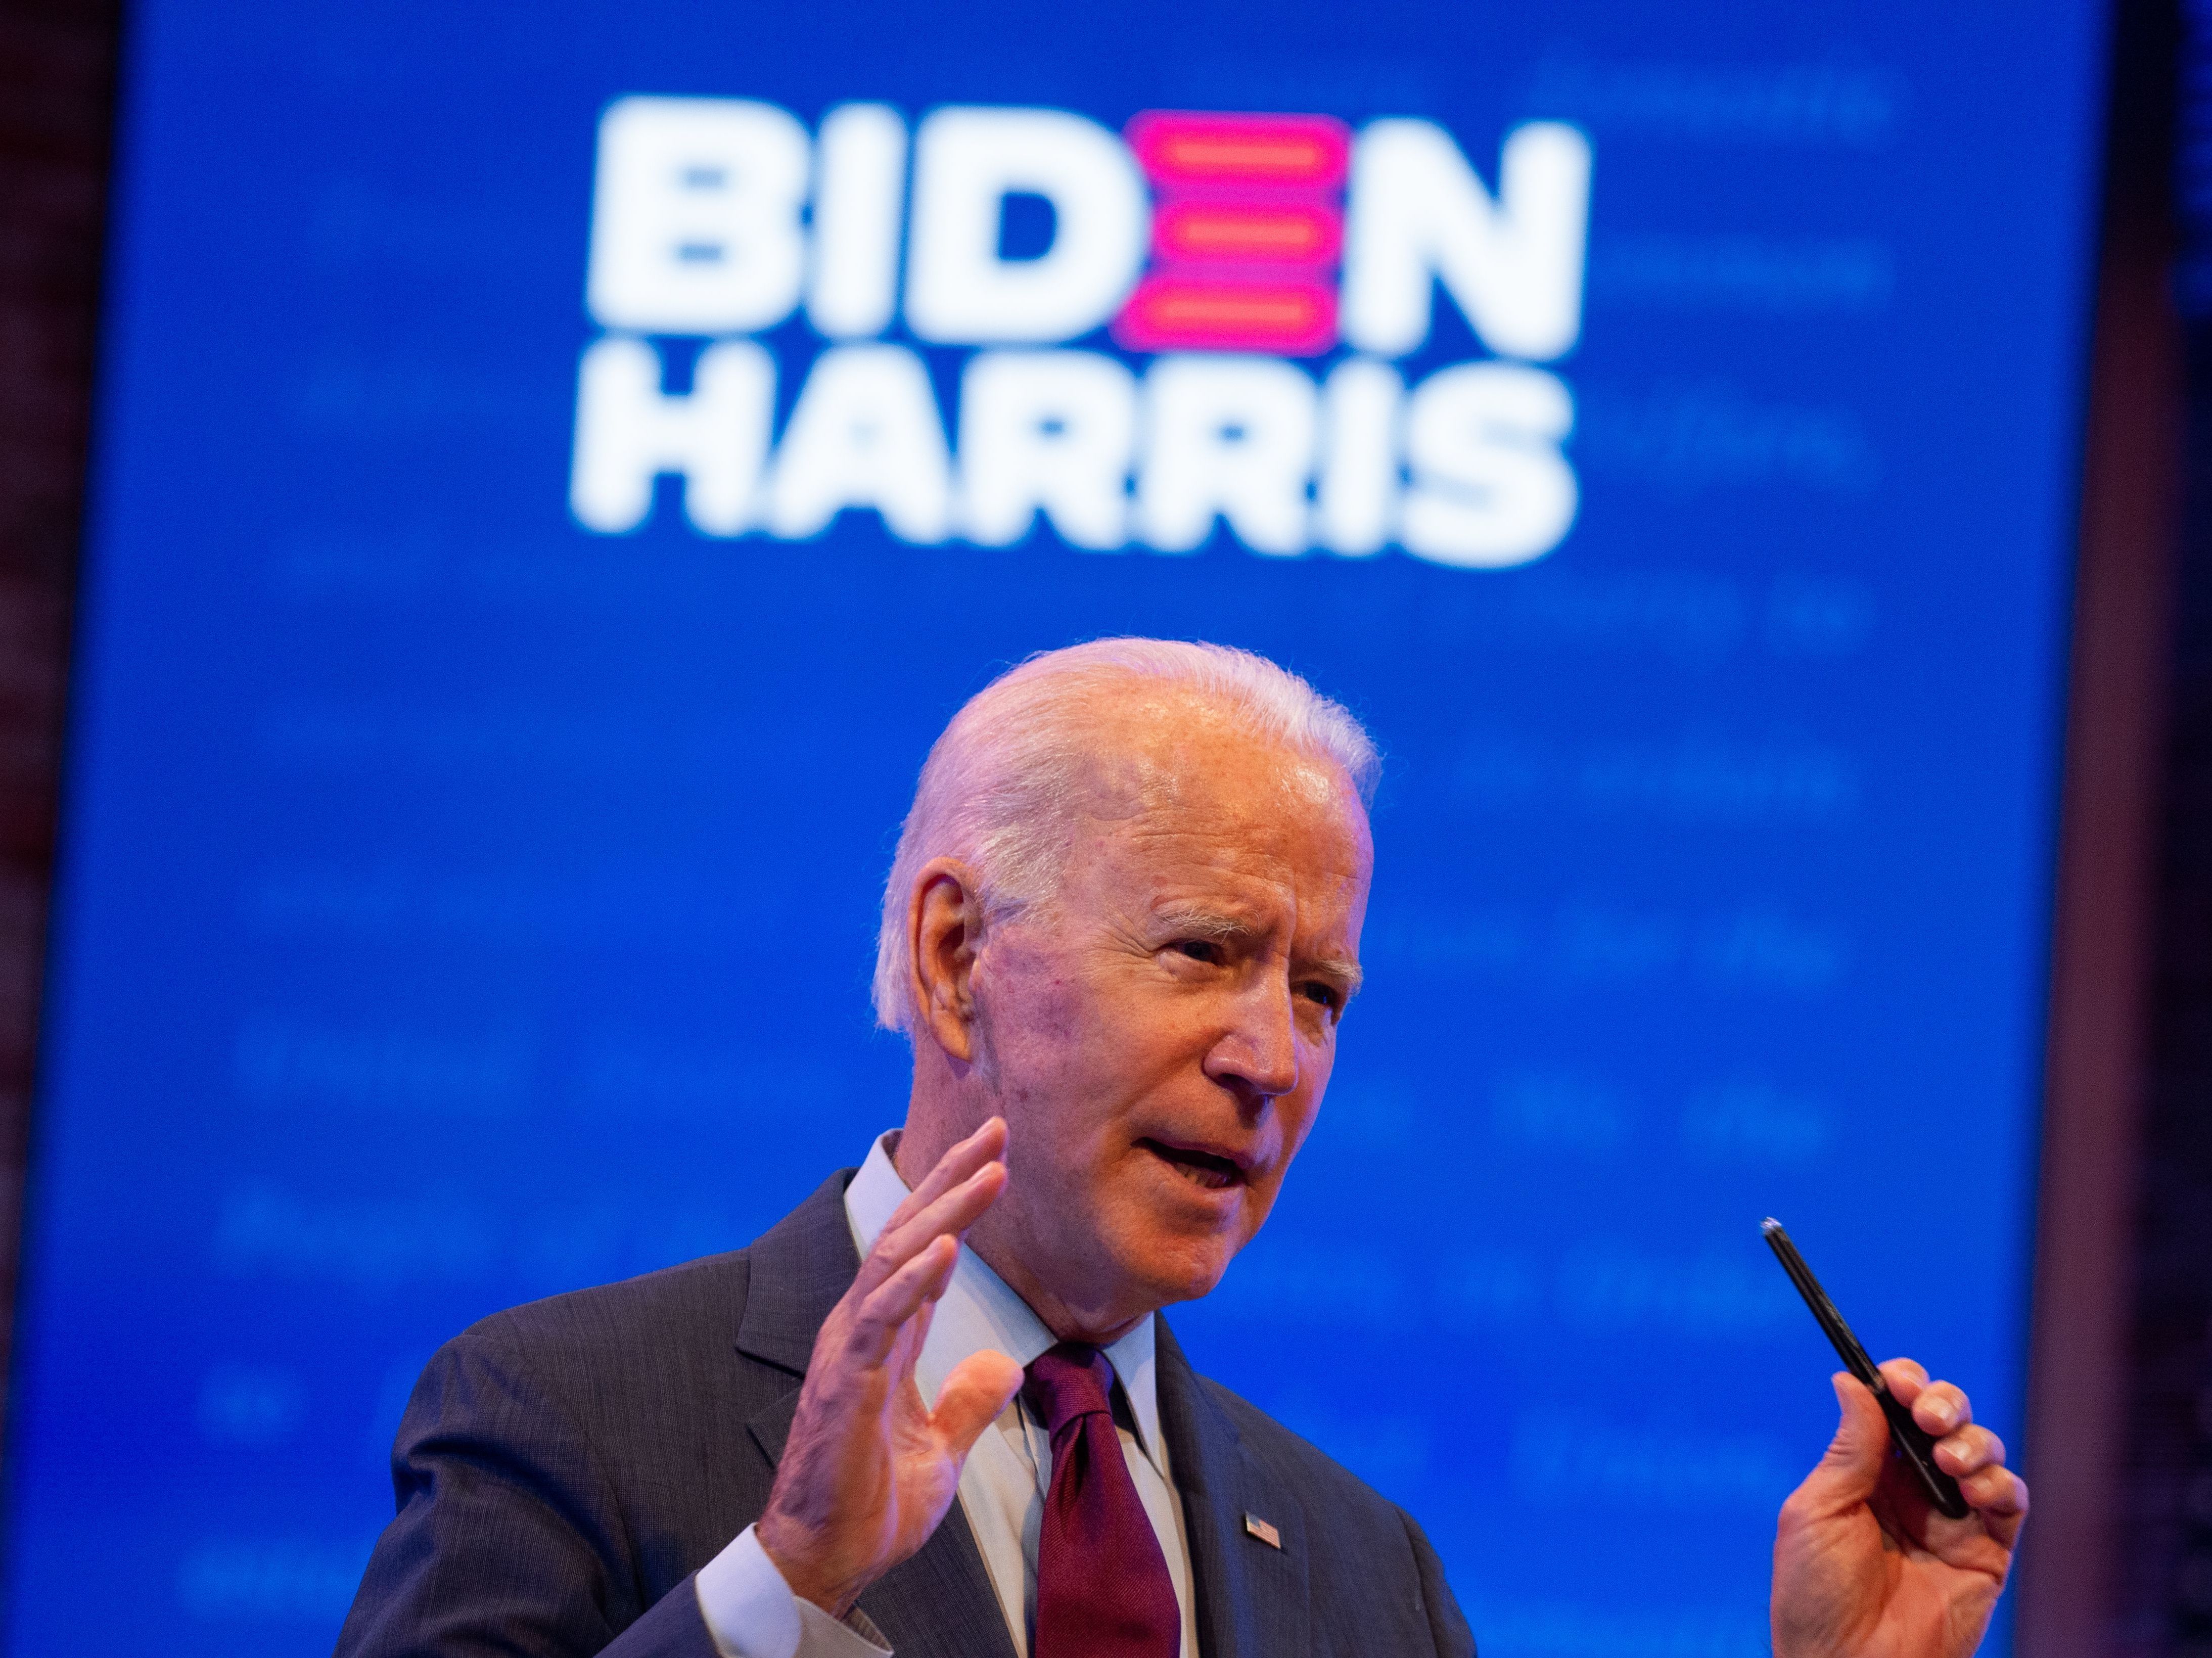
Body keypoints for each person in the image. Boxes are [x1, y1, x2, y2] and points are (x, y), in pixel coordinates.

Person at [334, 638, 2027, 1658]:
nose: (1270, 1059)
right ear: (954, 957)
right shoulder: (566, 1412)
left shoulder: (1367, 1566)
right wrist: (790, 1591)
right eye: (1205, 953)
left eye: (1323, 990)